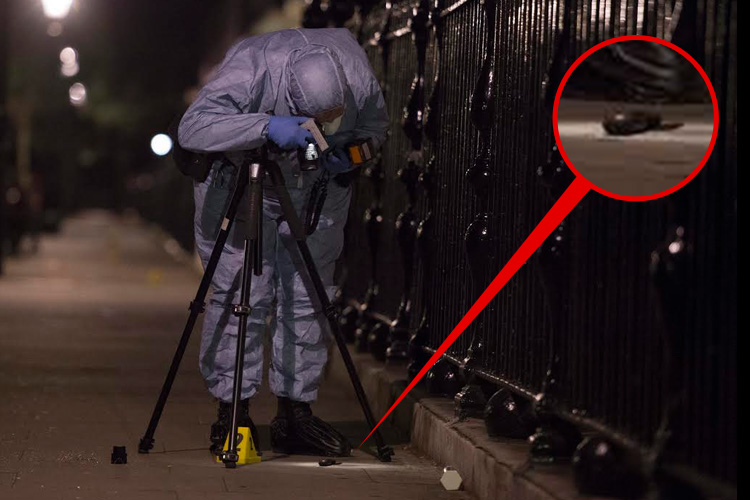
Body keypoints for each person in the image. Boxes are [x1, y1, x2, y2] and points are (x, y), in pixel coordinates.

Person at [178, 27, 388, 457]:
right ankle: (231, 412)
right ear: (289, 96)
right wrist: (265, 127)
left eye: (331, 118)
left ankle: (297, 415)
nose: (322, 127)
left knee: (308, 298)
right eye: (313, 120)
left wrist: (346, 156)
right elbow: (193, 128)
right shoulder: (251, 68)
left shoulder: (359, 78)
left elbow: (376, 133)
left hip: (316, 194)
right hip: (243, 185)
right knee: (241, 295)